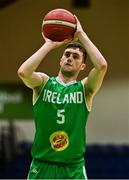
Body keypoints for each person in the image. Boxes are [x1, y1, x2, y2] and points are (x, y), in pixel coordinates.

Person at [17, 16, 107, 179]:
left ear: (83, 66)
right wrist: (49, 44)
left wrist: (80, 33)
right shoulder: (43, 83)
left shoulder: (85, 89)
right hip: (42, 165)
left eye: (75, 56)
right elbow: (23, 72)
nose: (70, 58)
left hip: (73, 168)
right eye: (67, 54)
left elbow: (102, 66)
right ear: (60, 60)